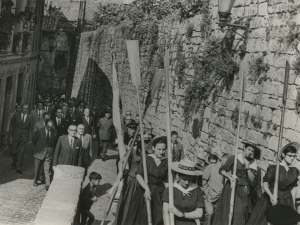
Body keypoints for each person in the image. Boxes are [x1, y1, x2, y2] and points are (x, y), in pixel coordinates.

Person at [246, 142, 300, 225]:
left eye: (294, 156)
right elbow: (265, 184)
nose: (292, 158)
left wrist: (292, 206)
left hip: (286, 200)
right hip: (271, 197)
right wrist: (271, 196)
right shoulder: (274, 167)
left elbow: (293, 189)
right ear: (283, 154)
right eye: (290, 156)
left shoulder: (295, 171)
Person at [212, 140, 262, 225]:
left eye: (252, 151)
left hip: (243, 191)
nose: (250, 152)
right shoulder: (234, 158)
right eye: (249, 149)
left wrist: (248, 167)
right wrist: (229, 177)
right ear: (244, 148)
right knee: (226, 212)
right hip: (231, 187)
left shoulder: (253, 163)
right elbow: (222, 170)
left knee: (239, 213)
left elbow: (252, 179)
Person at [123, 136, 168, 225]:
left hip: (159, 194)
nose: (161, 152)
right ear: (153, 148)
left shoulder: (166, 162)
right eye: (159, 149)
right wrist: (147, 189)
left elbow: (167, 182)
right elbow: (138, 175)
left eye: (163, 150)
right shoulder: (147, 159)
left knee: (158, 218)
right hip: (144, 191)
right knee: (141, 217)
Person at [162, 159, 204, 225]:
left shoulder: (197, 191)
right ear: (178, 176)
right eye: (184, 179)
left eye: (190, 180)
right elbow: (165, 212)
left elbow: (199, 213)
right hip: (173, 222)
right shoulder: (171, 190)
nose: (187, 182)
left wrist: (182, 214)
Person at [32, 119, 56, 191]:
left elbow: (53, 142)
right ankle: (35, 181)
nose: (49, 128)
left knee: (47, 168)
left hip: (49, 153)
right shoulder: (39, 131)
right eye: (48, 126)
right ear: (45, 125)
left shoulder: (54, 132)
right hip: (39, 152)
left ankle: (47, 184)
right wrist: (38, 148)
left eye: (51, 126)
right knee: (37, 168)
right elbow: (34, 140)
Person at [9, 104, 34, 174]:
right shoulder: (16, 115)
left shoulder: (30, 117)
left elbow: (30, 129)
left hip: (24, 137)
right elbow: (11, 126)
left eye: (27, 108)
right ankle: (14, 161)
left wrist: (30, 139)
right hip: (15, 136)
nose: (25, 110)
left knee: (21, 153)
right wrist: (10, 136)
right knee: (13, 151)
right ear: (21, 109)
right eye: (24, 108)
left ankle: (19, 167)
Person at [201, 154, 224, 225]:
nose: (213, 165)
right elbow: (204, 182)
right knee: (209, 213)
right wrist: (207, 193)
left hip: (218, 195)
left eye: (214, 163)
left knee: (216, 215)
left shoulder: (220, 169)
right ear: (208, 162)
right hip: (210, 196)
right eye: (211, 163)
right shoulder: (208, 168)